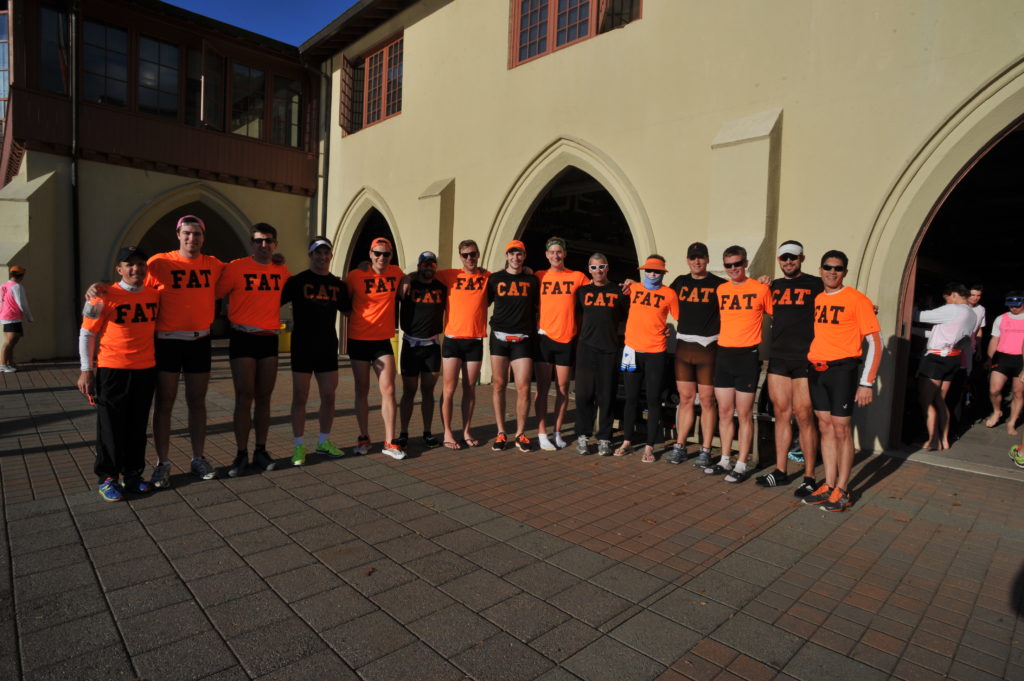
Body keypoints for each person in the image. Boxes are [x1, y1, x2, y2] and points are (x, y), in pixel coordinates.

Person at [141, 215, 224, 486]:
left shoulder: (212, 264)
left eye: (197, 234)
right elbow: (133, 287)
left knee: (197, 401)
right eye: (187, 233)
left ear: (203, 237)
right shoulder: (159, 262)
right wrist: (101, 290)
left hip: (199, 341)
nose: (192, 239)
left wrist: (276, 259)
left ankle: (198, 458)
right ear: (178, 235)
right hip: (167, 341)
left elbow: (242, 270)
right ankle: (162, 462)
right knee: (165, 402)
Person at [77, 247, 160, 501]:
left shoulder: (154, 295)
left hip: (145, 369)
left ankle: (133, 474)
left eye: (141, 264)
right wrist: (86, 370)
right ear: (120, 269)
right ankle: (108, 477)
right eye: (130, 264)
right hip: (112, 370)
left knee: (137, 425)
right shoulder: (102, 296)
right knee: (111, 426)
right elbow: (87, 334)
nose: (136, 269)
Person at [802, 250, 881, 512]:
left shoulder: (858, 300)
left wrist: (867, 382)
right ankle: (830, 484)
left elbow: (875, 343)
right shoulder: (818, 298)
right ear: (821, 269)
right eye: (827, 267)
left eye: (837, 268)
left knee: (841, 430)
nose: (832, 272)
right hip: (817, 370)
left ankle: (843, 490)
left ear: (845, 271)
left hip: (843, 371)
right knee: (824, 427)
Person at [216, 223, 291, 475]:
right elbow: (213, 291)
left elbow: (296, 289)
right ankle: (240, 453)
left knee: (264, 397)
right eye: (258, 241)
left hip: (268, 338)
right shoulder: (236, 267)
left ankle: (260, 449)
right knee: (244, 395)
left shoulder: (281, 270)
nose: (263, 245)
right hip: (242, 337)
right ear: (251, 243)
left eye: (268, 241)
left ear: (275, 244)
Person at [755, 241, 823, 497]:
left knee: (805, 415)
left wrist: (865, 309)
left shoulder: (817, 284)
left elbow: (841, 299)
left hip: (806, 358)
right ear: (779, 259)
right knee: (781, 413)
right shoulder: (773, 286)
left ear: (802, 258)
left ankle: (808, 476)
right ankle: (781, 471)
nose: (788, 261)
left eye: (793, 258)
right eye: (784, 258)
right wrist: (762, 282)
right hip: (779, 358)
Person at [280, 236, 351, 466]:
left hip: (327, 347)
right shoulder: (297, 281)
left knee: (328, 396)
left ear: (330, 256)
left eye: (326, 253)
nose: (322, 257)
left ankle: (323, 441)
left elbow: (351, 310)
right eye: (317, 253)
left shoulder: (338, 285)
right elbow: (272, 298)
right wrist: (275, 265)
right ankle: (299, 445)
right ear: (310, 255)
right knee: (300, 396)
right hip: (302, 346)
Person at [704, 245, 772, 483]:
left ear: (746, 263)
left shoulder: (760, 288)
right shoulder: (721, 289)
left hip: (747, 356)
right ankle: (724, 459)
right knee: (724, 411)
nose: (733, 269)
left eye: (737, 264)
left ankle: (742, 463)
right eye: (728, 265)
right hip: (724, 355)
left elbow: (780, 314)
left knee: (743, 414)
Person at [345, 237, 405, 459]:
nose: (381, 258)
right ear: (370, 254)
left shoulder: (396, 273)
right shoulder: (355, 275)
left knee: (389, 389)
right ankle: (363, 436)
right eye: (377, 253)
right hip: (358, 340)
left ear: (391, 256)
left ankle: (390, 441)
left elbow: (411, 279)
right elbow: (344, 302)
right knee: (362, 390)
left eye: (386, 254)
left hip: (382, 341)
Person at [667, 242, 725, 467]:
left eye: (701, 257)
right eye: (693, 258)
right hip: (683, 346)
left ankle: (706, 449)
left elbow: (741, 294)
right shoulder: (679, 282)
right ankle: (680, 446)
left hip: (709, 347)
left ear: (708, 259)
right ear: (687, 260)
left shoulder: (720, 285)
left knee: (708, 401)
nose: (697, 261)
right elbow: (657, 296)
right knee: (685, 399)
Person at [617, 254, 680, 462]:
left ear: (663, 273)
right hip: (632, 350)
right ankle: (627, 440)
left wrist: (669, 331)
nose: (653, 274)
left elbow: (681, 318)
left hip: (656, 353)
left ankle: (650, 446)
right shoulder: (633, 288)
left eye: (657, 271)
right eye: (649, 270)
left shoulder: (669, 294)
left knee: (653, 400)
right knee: (631, 398)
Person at [534, 237, 590, 450]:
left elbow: (599, 288)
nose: (556, 256)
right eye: (552, 252)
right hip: (544, 338)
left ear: (565, 254)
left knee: (563, 389)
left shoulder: (577, 276)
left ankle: (556, 431)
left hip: (566, 339)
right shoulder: (539, 276)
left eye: (559, 252)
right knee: (542, 387)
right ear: (547, 255)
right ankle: (541, 433)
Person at [435, 240, 490, 449]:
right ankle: (448, 432)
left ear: (478, 254)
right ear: (460, 256)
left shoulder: (487, 277)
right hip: (452, 340)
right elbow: (424, 273)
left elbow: (507, 275)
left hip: (475, 340)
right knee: (449, 388)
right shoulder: (449, 275)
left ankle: (466, 430)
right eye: (465, 255)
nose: (470, 258)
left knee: (469, 389)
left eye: (473, 254)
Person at [574, 253, 629, 455]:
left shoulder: (620, 291)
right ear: (589, 270)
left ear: (607, 268)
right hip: (586, 349)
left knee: (606, 396)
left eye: (602, 266)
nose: (598, 271)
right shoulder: (581, 292)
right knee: (584, 395)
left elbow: (631, 318)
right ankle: (582, 436)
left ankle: (605, 438)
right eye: (594, 267)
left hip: (609, 350)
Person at [487, 240, 539, 452]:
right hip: (499, 336)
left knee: (523, 386)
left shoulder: (532, 279)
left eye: (519, 255)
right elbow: (482, 302)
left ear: (524, 256)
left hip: (523, 339)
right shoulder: (495, 278)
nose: (516, 258)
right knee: (498, 384)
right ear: (506, 256)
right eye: (512, 254)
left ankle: (520, 433)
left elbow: (540, 306)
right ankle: (501, 432)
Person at [912, 282, 974, 450]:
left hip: (936, 359)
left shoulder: (952, 309)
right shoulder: (971, 313)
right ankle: (944, 439)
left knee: (926, 401)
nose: (945, 303)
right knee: (940, 400)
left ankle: (932, 440)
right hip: (954, 358)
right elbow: (941, 333)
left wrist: (913, 305)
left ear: (954, 295)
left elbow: (918, 316)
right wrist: (913, 331)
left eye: (946, 299)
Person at [397, 251, 447, 448]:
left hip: (432, 346)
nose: (428, 267)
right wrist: (406, 277)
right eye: (425, 264)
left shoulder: (441, 287)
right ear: (419, 265)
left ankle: (427, 432)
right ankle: (403, 432)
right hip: (411, 344)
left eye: (432, 264)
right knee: (409, 390)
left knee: (428, 391)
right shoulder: (407, 284)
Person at [985, 291, 1024, 434]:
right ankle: (997, 411)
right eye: (1011, 306)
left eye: (1017, 305)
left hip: (1021, 359)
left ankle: (1012, 422)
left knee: (1018, 392)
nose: (1013, 308)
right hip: (1002, 357)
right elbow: (994, 339)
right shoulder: (1001, 318)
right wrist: (989, 358)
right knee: (994, 390)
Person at [0, 265, 32, 372]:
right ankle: (3, 365)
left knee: (12, 341)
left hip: (6, 316)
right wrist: (29, 316)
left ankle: (9, 363)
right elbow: (22, 303)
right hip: (13, 316)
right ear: (21, 276)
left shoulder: (3, 285)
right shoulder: (17, 287)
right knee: (10, 341)